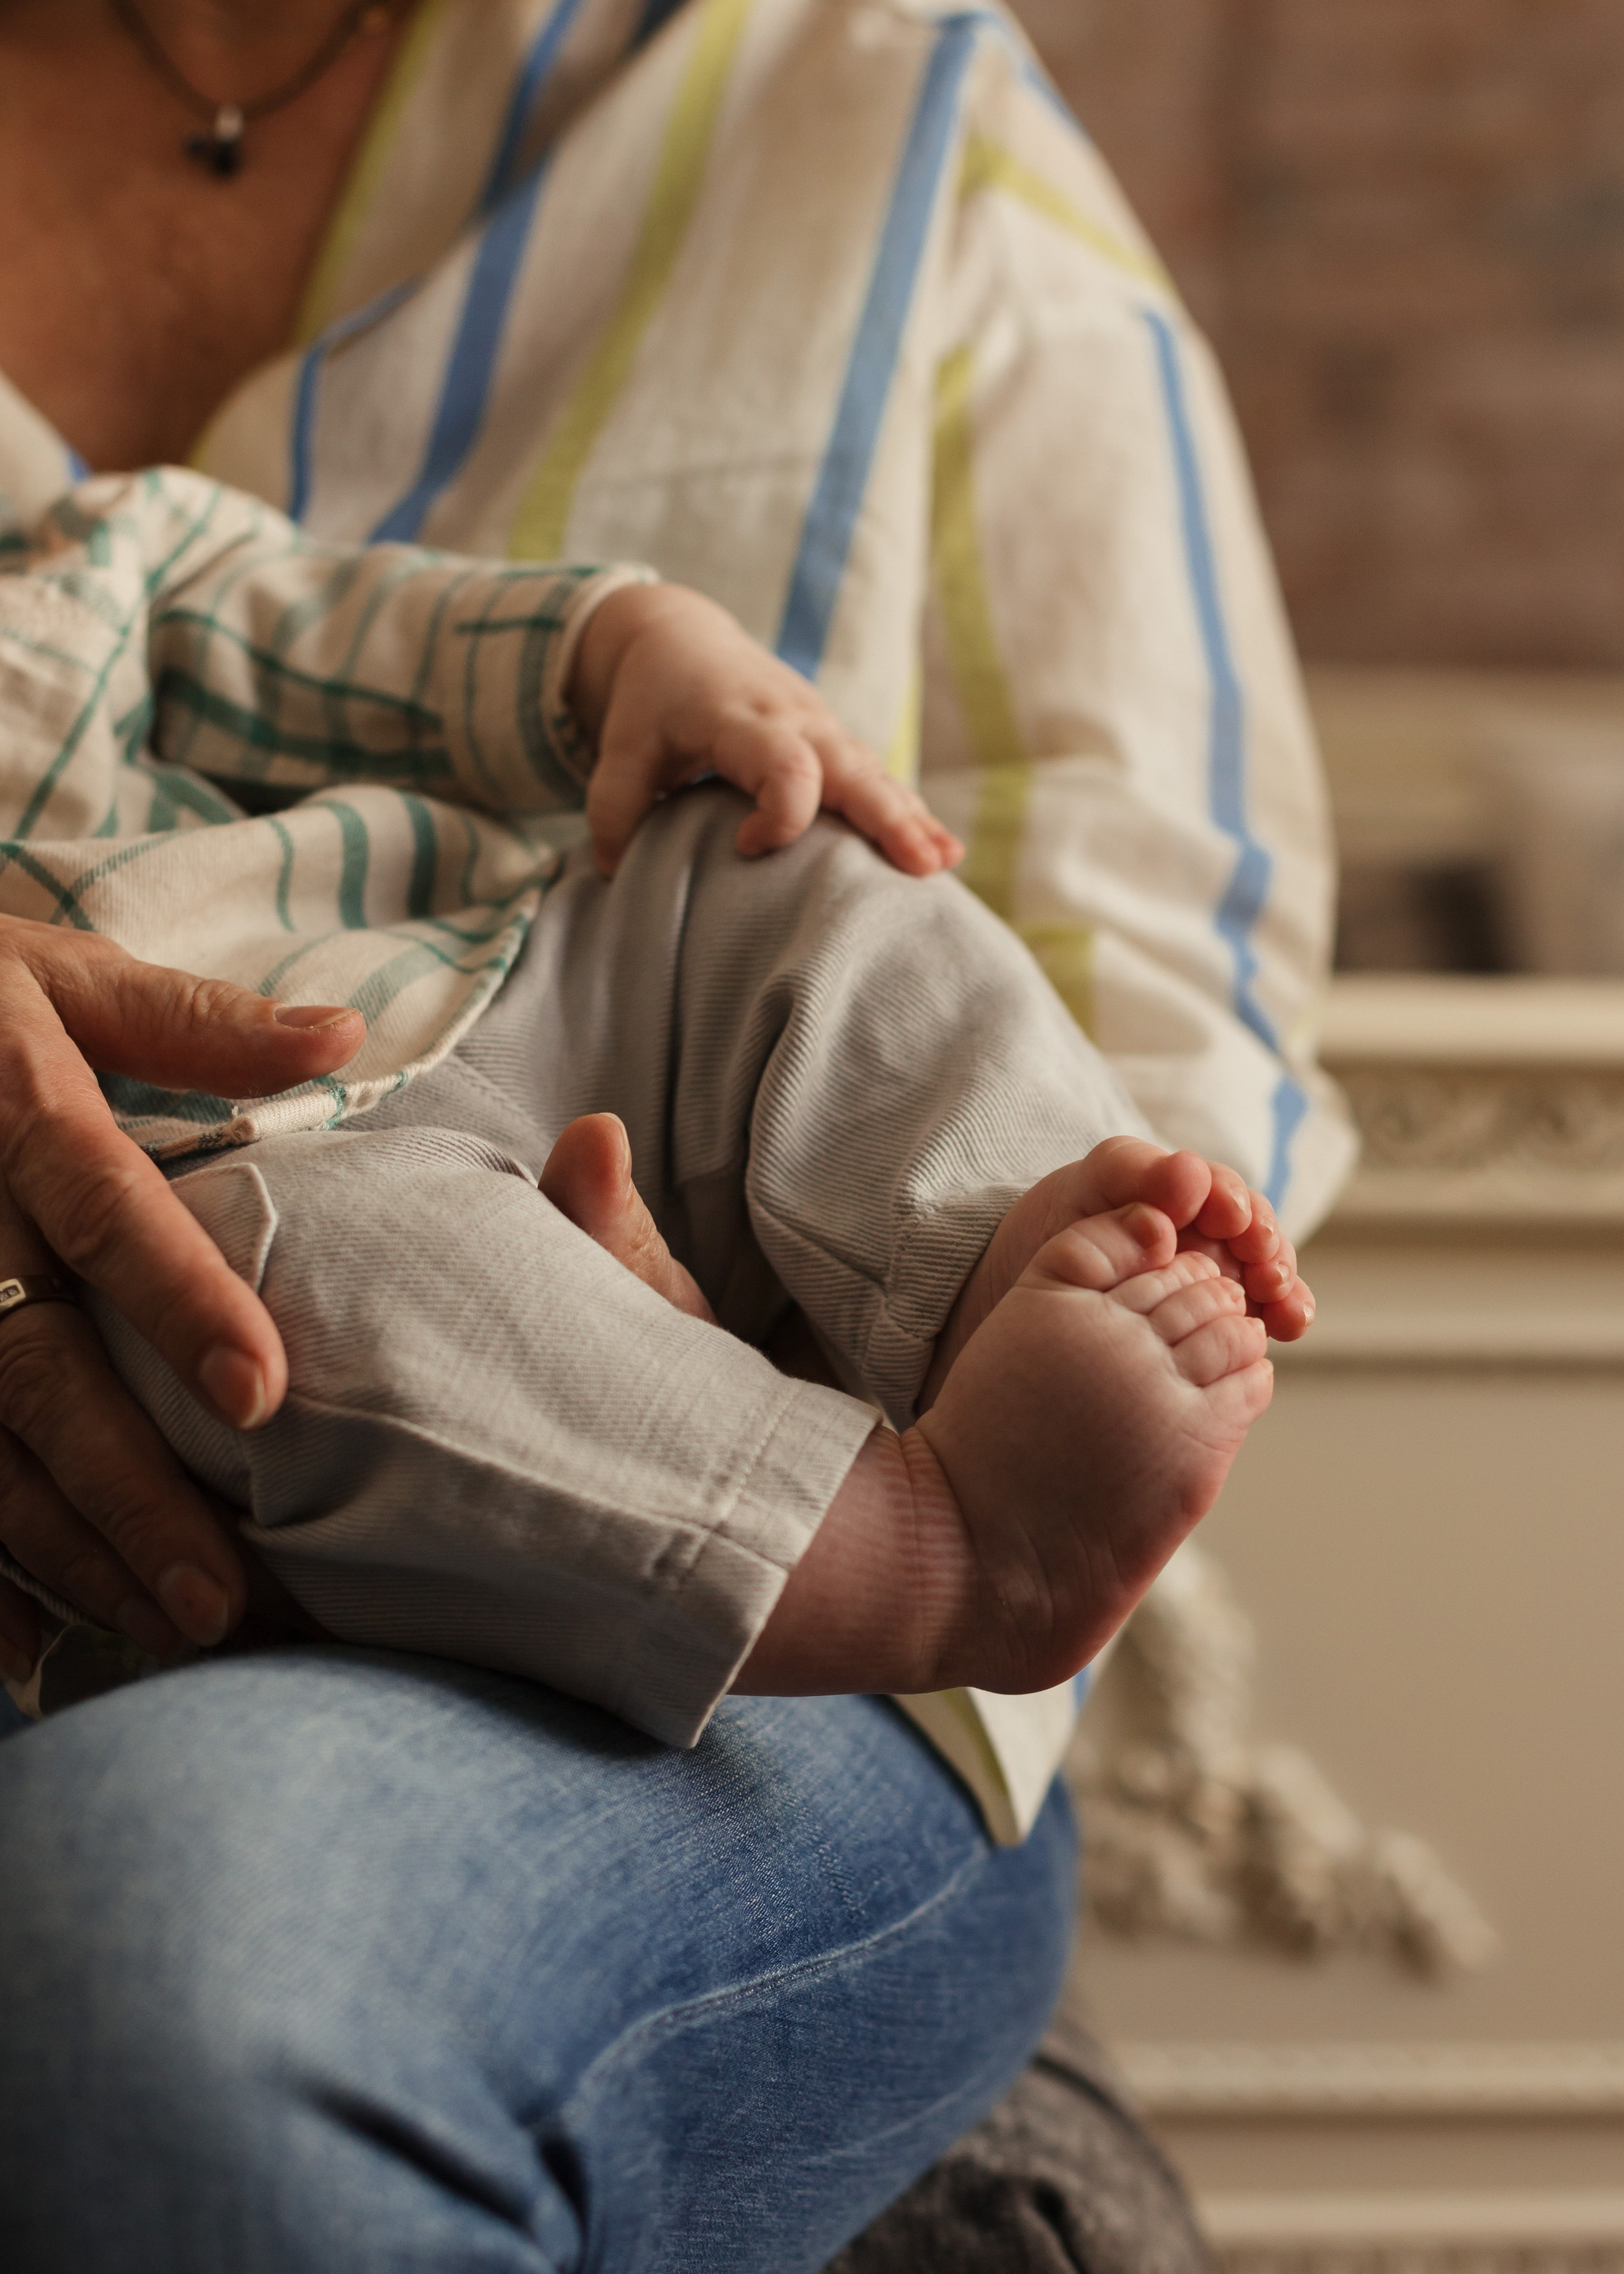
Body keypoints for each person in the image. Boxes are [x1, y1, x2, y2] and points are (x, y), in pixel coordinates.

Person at [0, 0, 1349, 2265]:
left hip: (551, 1043)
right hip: (265, 1175)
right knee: (310, 1300)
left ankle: (964, 1339)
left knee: (790, 855)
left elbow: (1167, 955)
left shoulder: (882, 96)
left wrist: (622, 651)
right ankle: (886, 1537)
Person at [0, 466, 1307, 1750]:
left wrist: (628, 647)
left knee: (785, 857)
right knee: (254, 1310)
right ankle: (933, 1549)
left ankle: (992, 1244)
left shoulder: (81, 554)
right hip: (175, 1177)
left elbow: (318, 617)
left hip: (505, 963)